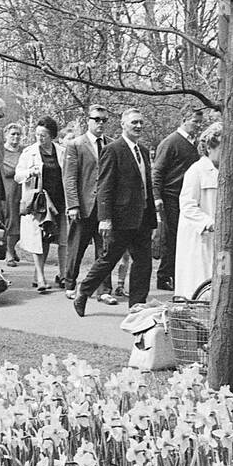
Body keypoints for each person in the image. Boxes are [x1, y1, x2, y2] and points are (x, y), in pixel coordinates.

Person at [71, 107, 158, 315]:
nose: (138, 126)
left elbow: (147, 186)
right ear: (123, 125)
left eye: (140, 123)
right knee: (109, 259)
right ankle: (83, 290)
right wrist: (105, 218)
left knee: (143, 264)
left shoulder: (143, 151)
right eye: (133, 122)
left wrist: (154, 219)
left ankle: (137, 307)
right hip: (120, 218)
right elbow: (105, 187)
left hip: (143, 218)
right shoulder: (113, 149)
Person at [63, 105, 116, 305]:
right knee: (76, 248)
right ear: (88, 120)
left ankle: (103, 290)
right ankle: (70, 284)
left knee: (105, 251)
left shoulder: (111, 145)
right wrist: (73, 205)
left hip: (104, 208)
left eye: (104, 120)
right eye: (97, 119)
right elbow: (69, 178)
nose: (100, 123)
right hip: (83, 206)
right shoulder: (76, 144)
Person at [153, 107, 205, 292]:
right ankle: (164, 276)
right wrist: (157, 196)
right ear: (184, 119)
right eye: (195, 121)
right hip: (171, 196)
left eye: (200, 122)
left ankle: (176, 274)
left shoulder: (194, 144)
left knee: (183, 237)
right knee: (171, 236)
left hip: (186, 196)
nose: (198, 126)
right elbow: (157, 171)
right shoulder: (171, 142)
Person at [15, 117, 66, 293]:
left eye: (43, 135)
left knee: (62, 238)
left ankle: (63, 275)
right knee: (39, 238)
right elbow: (17, 175)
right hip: (39, 201)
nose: (39, 138)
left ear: (52, 136)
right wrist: (30, 172)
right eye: (37, 134)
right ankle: (41, 278)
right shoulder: (29, 152)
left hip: (59, 200)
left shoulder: (62, 152)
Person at [174, 122, 222, 299]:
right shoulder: (196, 171)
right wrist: (209, 224)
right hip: (201, 238)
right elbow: (187, 205)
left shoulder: (227, 171)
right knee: (199, 280)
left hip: (222, 238)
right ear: (209, 147)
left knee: (221, 278)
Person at [0, 122, 25, 266]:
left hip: (23, 190)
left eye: (18, 134)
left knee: (23, 221)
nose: (15, 137)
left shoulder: (24, 151)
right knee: (11, 220)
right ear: (6, 135)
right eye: (12, 134)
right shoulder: (1, 152)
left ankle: (13, 248)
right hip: (8, 191)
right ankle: (8, 252)